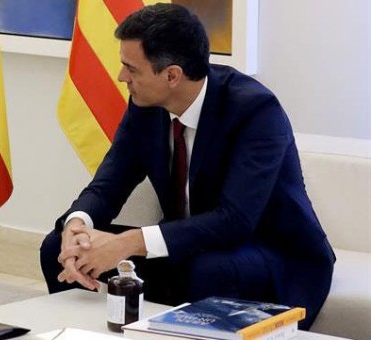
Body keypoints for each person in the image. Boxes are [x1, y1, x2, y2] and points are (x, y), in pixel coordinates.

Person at [40, 3, 334, 330]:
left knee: (211, 268)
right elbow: (109, 183)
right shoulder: (146, 106)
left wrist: (127, 242)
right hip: (189, 247)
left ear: (172, 75)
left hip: (271, 253)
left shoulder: (255, 111)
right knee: (56, 246)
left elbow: (235, 221)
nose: (122, 77)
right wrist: (77, 225)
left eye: (132, 69)